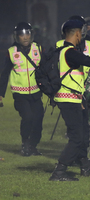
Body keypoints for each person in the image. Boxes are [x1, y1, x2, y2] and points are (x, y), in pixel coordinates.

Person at [49, 19, 90, 181]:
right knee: (77, 138)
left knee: (82, 134)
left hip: (75, 99)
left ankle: (83, 165)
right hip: (68, 99)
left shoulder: (66, 51)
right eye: (80, 33)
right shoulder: (69, 52)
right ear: (77, 33)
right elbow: (87, 61)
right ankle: (59, 172)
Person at [0, 22, 44, 156]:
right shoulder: (11, 52)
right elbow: (5, 73)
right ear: (16, 37)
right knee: (28, 117)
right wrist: (0, 94)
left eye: (27, 34)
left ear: (31, 35)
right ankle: (25, 144)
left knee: (38, 118)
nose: (25, 37)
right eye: (21, 35)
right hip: (20, 93)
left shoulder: (39, 48)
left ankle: (33, 146)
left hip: (36, 92)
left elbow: (45, 68)